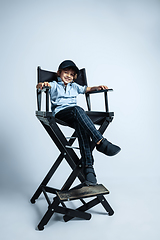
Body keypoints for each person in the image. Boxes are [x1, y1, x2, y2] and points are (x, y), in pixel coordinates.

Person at [36, 60, 121, 186]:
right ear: (59, 73)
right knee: (78, 109)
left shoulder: (74, 86)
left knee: (81, 124)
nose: (69, 76)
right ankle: (100, 141)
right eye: (66, 72)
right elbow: (40, 86)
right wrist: (42, 85)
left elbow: (87, 89)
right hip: (61, 113)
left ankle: (89, 170)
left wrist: (98, 87)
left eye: (71, 74)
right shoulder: (54, 85)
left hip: (75, 115)